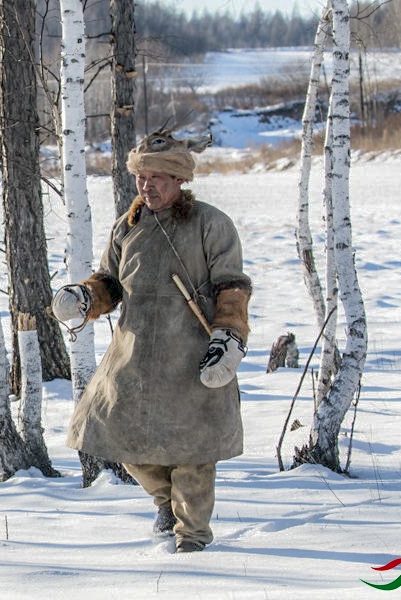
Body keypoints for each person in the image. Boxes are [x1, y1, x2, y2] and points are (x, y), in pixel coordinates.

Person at [51, 127, 251, 553]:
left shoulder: (211, 224)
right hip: (135, 355)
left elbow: (232, 287)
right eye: (142, 177)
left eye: (157, 177)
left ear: (180, 179)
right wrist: (86, 297)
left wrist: (229, 340)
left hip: (195, 355)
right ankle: (165, 503)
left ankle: (192, 541)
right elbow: (110, 281)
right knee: (122, 438)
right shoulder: (128, 225)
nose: (146, 186)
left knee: (194, 454)